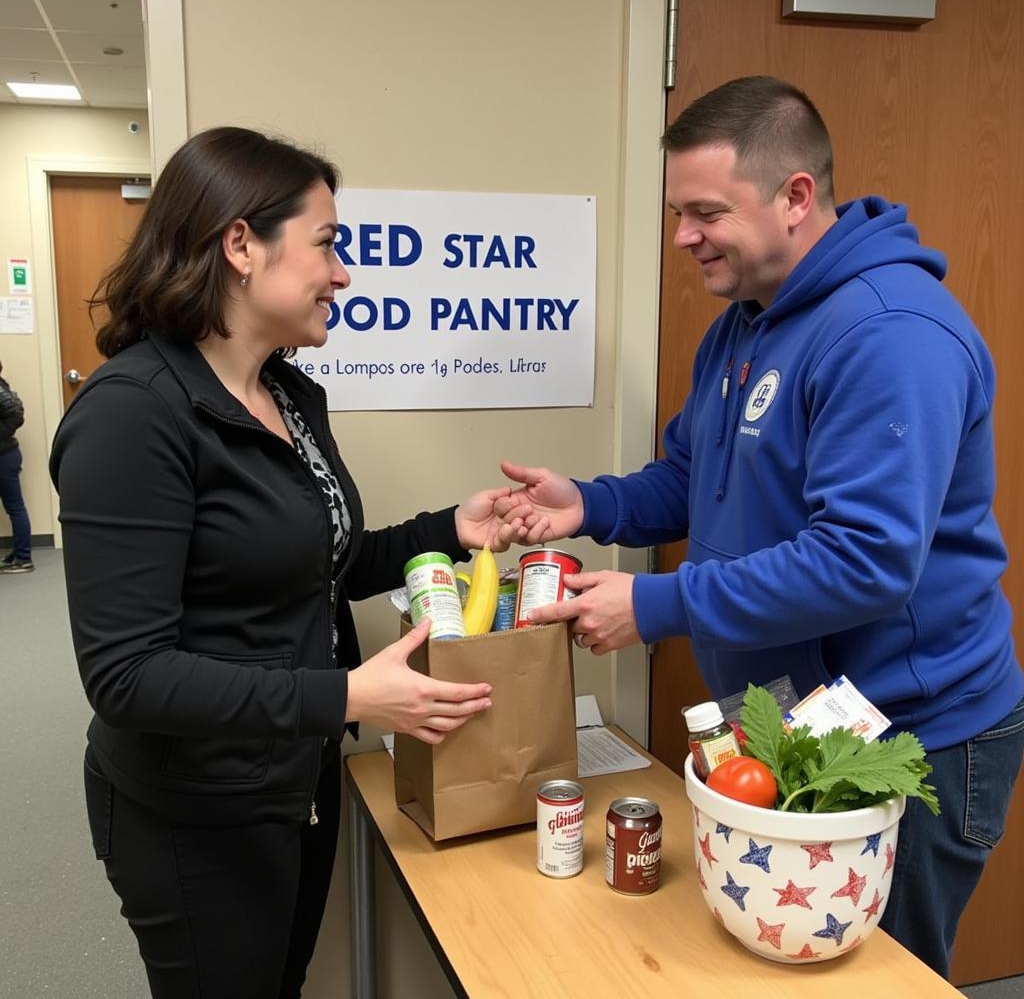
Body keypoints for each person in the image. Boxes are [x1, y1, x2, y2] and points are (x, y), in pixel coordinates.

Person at [494, 75, 1024, 977]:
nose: (682, 238)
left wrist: (657, 604)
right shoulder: (742, 326)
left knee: (876, 979)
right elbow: (698, 480)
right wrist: (589, 505)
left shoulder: (891, 335)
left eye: (705, 212)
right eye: (677, 213)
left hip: (912, 737)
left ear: (796, 196)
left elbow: (863, 562)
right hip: (789, 723)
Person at [49, 126, 511, 999]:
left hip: (294, 780)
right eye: (329, 244)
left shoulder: (289, 395)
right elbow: (126, 675)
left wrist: (453, 525)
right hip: (192, 815)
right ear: (240, 245)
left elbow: (316, 564)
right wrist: (346, 695)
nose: (344, 273)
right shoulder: (133, 417)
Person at [0, 357, 33, 573]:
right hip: (6, 454)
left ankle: (24, 559)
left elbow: (16, 414)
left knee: (15, 506)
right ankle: (19, 552)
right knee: (14, 506)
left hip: (4, 456)